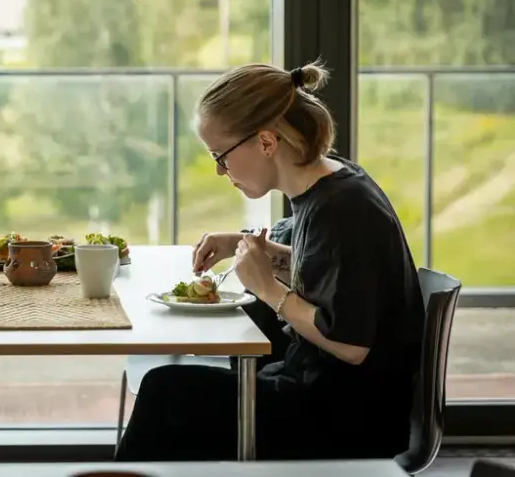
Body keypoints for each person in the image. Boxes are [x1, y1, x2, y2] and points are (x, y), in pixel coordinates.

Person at [116, 61, 426, 462]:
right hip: (325, 394)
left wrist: (267, 287)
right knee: (191, 386)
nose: (219, 171)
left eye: (220, 156)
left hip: (343, 417)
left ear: (265, 142)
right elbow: (335, 268)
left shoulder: (342, 208)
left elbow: (351, 345)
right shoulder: (337, 184)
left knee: (166, 391)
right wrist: (251, 247)